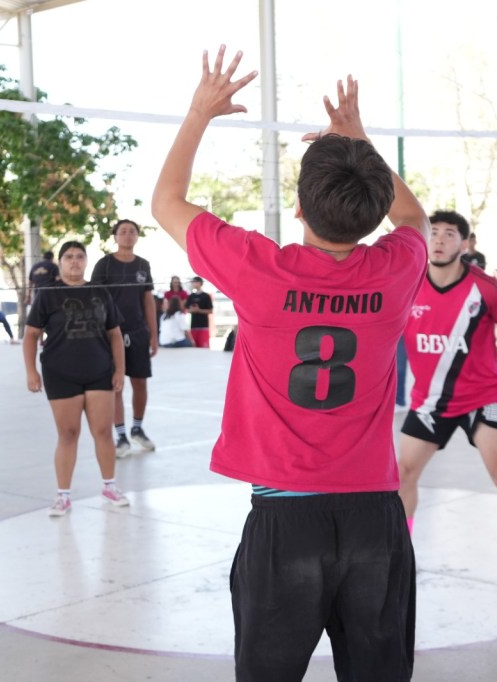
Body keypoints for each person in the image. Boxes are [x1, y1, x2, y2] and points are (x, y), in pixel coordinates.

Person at [151, 47, 427, 681]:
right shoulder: (396, 269)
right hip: (373, 518)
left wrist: (200, 112)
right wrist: (358, 141)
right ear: (372, 205)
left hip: (285, 521)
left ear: (298, 208)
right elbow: (411, 216)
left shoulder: (260, 270)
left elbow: (166, 200)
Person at [398, 210, 497, 604]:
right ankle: (400, 559)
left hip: (482, 398)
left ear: (465, 244)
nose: (440, 240)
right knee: (401, 475)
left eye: (450, 234)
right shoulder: (408, 282)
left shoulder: (485, 288)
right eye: (434, 233)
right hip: (431, 402)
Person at [23, 241, 129, 516]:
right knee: (68, 434)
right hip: (60, 373)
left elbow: (115, 334)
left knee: (103, 432)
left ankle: (109, 486)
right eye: (68, 257)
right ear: (60, 262)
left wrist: (119, 370)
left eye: (79, 257)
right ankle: (63, 496)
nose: (74, 261)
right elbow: (31, 335)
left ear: (86, 261)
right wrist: (31, 371)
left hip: (98, 371)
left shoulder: (100, 291)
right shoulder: (47, 294)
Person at [90, 219, 158, 458]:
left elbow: (148, 301)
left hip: (138, 333)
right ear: (115, 236)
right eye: (123, 231)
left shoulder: (143, 265)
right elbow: (94, 299)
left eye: (132, 232)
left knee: (140, 383)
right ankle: (120, 436)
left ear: (137, 237)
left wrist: (153, 334)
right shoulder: (104, 265)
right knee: (116, 385)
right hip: (110, 334)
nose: (127, 235)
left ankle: (137, 428)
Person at [185, 276, 214, 348]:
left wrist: (199, 310)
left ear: (200, 283)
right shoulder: (191, 296)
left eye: (196, 282)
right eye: (193, 282)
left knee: (204, 347)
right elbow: (186, 309)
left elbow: (210, 310)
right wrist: (192, 310)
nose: (194, 284)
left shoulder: (206, 296)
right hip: (193, 326)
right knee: (194, 347)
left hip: (203, 326)